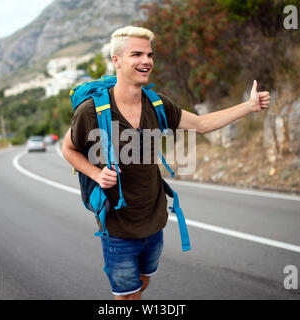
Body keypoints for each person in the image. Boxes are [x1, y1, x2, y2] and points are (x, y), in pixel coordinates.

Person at [62, 26, 270, 300]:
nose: (146, 60)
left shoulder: (157, 103)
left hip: (155, 220)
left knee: (142, 282)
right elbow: (69, 148)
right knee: (128, 295)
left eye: (149, 54)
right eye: (136, 54)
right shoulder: (92, 111)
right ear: (117, 60)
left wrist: (249, 106)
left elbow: (202, 123)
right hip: (118, 227)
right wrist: (96, 174)